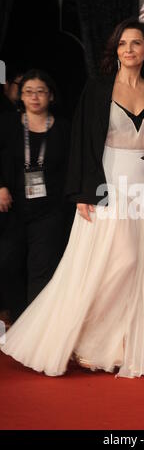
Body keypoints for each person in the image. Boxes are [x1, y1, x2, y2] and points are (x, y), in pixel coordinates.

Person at [0, 18, 144, 378]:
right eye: (123, 44)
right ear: (115, 51)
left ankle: (108, 346)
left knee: (134, 268)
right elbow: (82, 144)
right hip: (106, 184)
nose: (129, 49)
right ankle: (80, 336)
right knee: (107, 264)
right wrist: (83, 192)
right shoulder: (98, 90)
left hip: (140, 189)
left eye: (136, 43)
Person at [0, 69, 71, 323]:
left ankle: (37, 327)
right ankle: (18, 320)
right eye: (28, 92)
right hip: (14, 208)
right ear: (20, 96)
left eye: (41, 92)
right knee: (8, 263)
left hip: (50, 210)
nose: (35, 97)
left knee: (42, 268)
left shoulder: (63, 129)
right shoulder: (8, 124)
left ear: (51, 96)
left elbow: (72, 169)